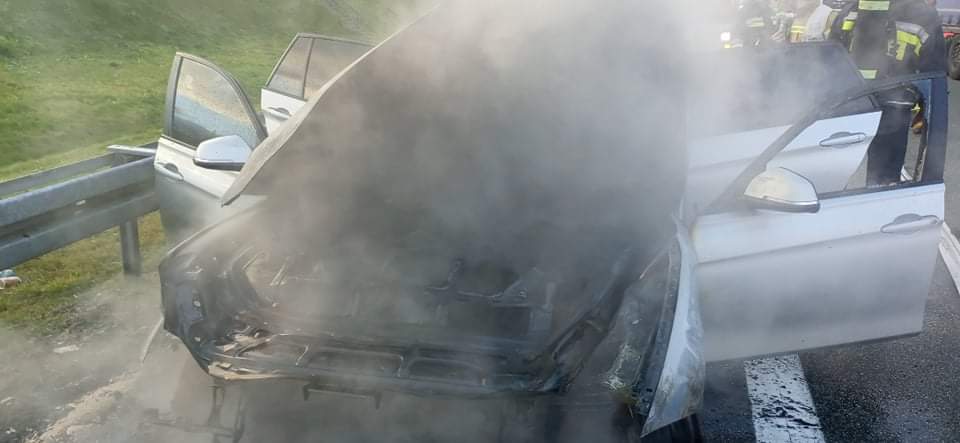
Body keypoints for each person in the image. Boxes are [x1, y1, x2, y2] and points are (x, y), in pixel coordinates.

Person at [830, 0, 947, 185]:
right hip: (895, 110)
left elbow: (831, 61)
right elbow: (934, 74)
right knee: (883, 179)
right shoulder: (922, 16)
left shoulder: (849, 10)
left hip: (851, 105)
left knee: (837, 174)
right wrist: (926, 112)